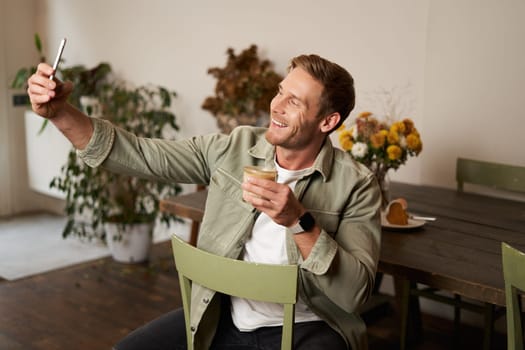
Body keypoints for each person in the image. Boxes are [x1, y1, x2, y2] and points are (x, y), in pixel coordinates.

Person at [28, 54, 381, 350]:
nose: (276, 106)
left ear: (328, 121)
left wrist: (299, 220)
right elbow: (138, 154)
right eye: (280, 92)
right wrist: (60, 113)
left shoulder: (358, 185)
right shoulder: (234, 147)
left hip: (308, 327)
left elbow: (354, 294)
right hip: (222, 315)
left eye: (295, 101)